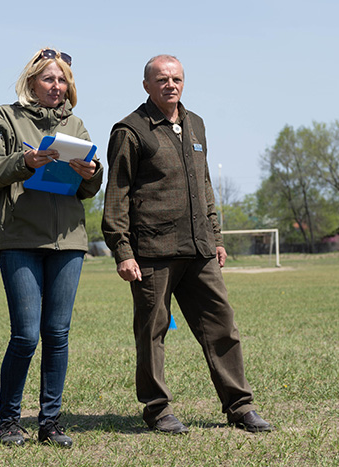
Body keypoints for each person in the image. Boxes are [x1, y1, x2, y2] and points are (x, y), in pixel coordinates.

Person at [101, 54, 272, 435]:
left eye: (176, 78)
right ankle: (158, 409)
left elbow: (204, 186)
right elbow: (117, 196)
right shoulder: (130, 130)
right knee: (152, 333)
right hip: (152, 253)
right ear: (146, 85)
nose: (170, 85)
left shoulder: (196, 125)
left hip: (199, 250)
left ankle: (240, 406)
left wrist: (216, 238)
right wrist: (123, 251)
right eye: (161, 79)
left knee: (222, 326)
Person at [0, 48, 103, 448]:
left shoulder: (76, 125)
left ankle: (51, 422)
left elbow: (88, 189)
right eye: (49, 79)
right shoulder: (5, 117)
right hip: (20, 238)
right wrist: (25, 161)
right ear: (31, 82)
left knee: (57, 333)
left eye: (62, 80)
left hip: (68, 241)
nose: (56, 86)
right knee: (26, 336)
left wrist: (91, 173)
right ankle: (9, 420)